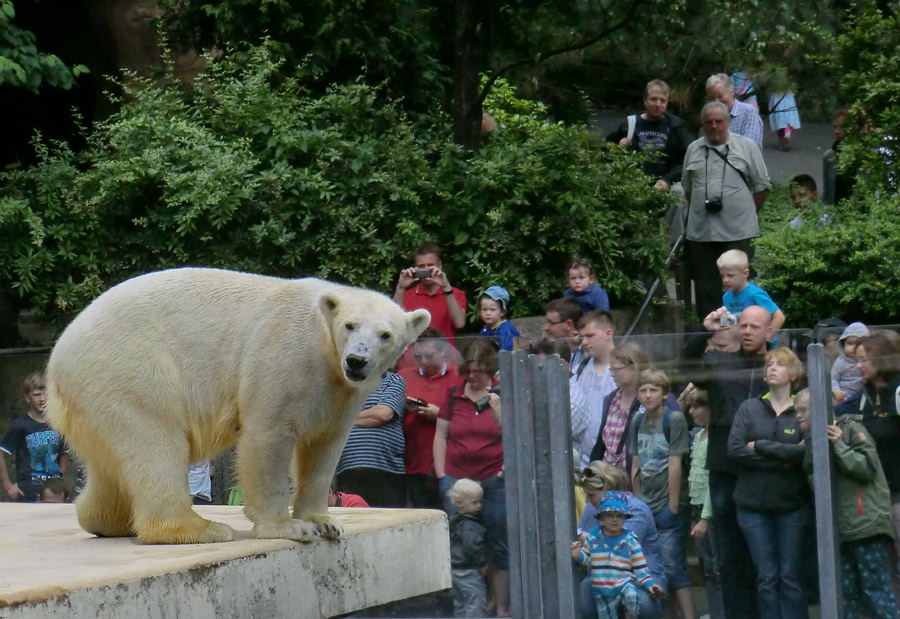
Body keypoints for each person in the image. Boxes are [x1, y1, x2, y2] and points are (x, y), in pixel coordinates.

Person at [683, 305, 772, 619]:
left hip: (764, 468)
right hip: (724, 468)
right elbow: (687, 366)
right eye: (742, 325)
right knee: (729, 554)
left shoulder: (775, 364)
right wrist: (705, 328)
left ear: (768, 331)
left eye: (754, 326)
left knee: (764, 557)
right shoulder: (718, 361)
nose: (747, 331)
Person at [795, 388, 899, 619]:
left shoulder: (851, 428)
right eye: (796, 411)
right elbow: (816, 484)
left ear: (820, 409)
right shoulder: (813, 442)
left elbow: (866, 468)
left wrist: (840, 444)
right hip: (840, 530)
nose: (798, 416)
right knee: (848, 595)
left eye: (803, 410)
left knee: (876, 591)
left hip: (866, 524)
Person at [728, 348, 810, 619]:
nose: (772, 368)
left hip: (792, 505)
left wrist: (761, 446)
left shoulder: (803, 406)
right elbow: (736, 451)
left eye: (780, 364)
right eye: (769, 364)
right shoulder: (749, 408)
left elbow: (807, 453)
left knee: (790, 576)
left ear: (794, 373)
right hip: (752, 506)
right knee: (766, 577)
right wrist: (784, 458)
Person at [434, 340, 509, 616]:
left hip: (493, 478)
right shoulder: (454, 392)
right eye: (469, 369)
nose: (473, 375)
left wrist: (503, 471)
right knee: (460, 546)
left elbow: (514, 436)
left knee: (498, 543)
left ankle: (502, 607)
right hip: (457, 480)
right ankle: (467, 605)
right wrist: (442, 475)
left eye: (479, 370)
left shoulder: (500, 394)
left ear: (490, 368)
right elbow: (441, 435)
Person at [682, 101, 771, 318]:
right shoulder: (693, 149)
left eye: (719, 122)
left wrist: (746, 212)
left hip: (738, 232)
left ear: (727, 122)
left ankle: (742, 336)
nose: (714, 126)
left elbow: (762, 187)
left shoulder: (746, 147)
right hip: (702, 233)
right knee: (706, 289)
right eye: (709, 122)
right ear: (703, 124)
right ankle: (712, 339)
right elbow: (688, 189)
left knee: (739, 287)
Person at [629, 369, 694, 619]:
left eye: (653, 390)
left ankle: (688, 614)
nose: (647, 395)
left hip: (668, 502)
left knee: (673, 564)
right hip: (645, 502)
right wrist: (637, 504)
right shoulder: (638, 420)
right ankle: (666, 614)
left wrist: (674, 505)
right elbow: (635, 463)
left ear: (665, 394)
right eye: (643, 390)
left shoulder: (674, 419)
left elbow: (675, 462)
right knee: (652, 564)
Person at [578, 461, 667, 619]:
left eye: (591, 495)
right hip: (602, 575)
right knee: (585, 589)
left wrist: (578, 535)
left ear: (607, 489)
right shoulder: (592, 508)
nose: (587, 500)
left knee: (642, 603)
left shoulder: (635, 510)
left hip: (641, 575)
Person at [850, 332, 900, 565]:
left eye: (864, 360)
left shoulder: (898, 394)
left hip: (898, 493)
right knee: (887, 564)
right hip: (877, 496)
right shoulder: (865, 398)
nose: (858, 366)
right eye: (856, 360)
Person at [399, 327, 458, 509]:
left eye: (429, 356)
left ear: (443, 352)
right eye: (418, 357)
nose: (423, 362)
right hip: (413, 463)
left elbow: (470, 419)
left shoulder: (458, 376)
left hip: (451, 466)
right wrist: (405, 409)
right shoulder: (404, 377)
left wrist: (438, 415)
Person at [678, 385, 724, 619]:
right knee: (708, 569)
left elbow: (713, 480)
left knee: (718, 567)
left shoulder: (716, 437)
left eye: (698, 406)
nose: (692, 411)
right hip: (698, 511)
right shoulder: (698, 435)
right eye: (691, 407)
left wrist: (705, 517)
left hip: (712, 512)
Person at [335, 371, 408, 508]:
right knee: (354, 524)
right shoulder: (341, 385)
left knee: (388, 523)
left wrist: (343, 418)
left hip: (386, 470)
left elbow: (383, 414)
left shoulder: (393, 381)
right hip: (347, 468)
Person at [393, 242, 467, 367]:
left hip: (446, 365)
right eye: (421, 266)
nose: (426, 270)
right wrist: (400, 288)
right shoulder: (406, 295)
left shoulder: (454, 293)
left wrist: (446, 287)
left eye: (430, 265)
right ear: (415, 269)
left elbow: (459, 323)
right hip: (412, 366)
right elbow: (393, 323)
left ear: (440, 265)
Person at [609, 79, 691, 191]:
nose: (658, 104)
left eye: (662, 101)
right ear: (645, 100)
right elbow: (607, 153)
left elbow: (686, 160)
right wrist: (618, 149)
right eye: (653, 99)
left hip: (665, 188)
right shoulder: (629, 125)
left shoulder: (676, 127)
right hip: (633, 187)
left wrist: (667, 179)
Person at [0, 373, 67, 503]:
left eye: (45, 394)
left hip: (53, 492)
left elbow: (64, 453)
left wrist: (61, 480)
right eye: (36, 395)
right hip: (28, 492)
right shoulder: (19, 426)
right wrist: (8, 486)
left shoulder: (58, 424)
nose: (42, 399)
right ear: (27, 398)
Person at [531, 338, 592, 469]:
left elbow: (550, 442)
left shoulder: (572, 400)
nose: (536, 371)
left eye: (541, 365)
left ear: (560, 363)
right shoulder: (549, 389)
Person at [575, 311, 618, 468]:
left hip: (612, 459)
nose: (584, 342)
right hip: (582, 459)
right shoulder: (580, 368)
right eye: (582, 337)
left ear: (608, 334)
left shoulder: (624, 369)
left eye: (590, 336)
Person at [717, 249, 785, 337]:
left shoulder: (755, 294)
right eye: (722, 276)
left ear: (745, 273)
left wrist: (766, 339)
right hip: (739, 345)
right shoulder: (727, 296)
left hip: (761, 347)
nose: (725, 280)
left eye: (730, 275)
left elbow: (779, 317)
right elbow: (731, 322)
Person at [448, 478, 488, 618]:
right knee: (475, 603)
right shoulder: (470, 525)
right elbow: (472, 547)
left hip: (454, 570)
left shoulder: (453, 521)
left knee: (460, 604)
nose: (479, 506)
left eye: (480, 502)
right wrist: (482, 563)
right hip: (469, 570)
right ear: (460, 503)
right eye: (474, 502)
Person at [706, 73, 764, 150]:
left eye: (720, 96)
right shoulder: (710, 117)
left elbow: (750, 148)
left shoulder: (748, 113)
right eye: (712, 98)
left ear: (732, 92)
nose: (716, 102)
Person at [831, 322, 869, 405]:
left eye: (857, 344)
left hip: (863, 395)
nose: (853, 347)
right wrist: (836, 390)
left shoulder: (869, 361)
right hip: (844, 394)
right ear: (843, 344)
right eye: (849, 343)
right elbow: (833, 378)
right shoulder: (841, 361)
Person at [543, 297, 584, 368]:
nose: (546, 328)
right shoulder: (545, 353)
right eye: (546, 323)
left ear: (568, 324)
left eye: (551, 323)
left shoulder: (587, 353)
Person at [478, 285, 520, 351]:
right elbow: (479, 346)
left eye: (492, 309)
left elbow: (506, 350)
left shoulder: (505, 329)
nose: (488, 313)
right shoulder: (486, 329)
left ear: (502, 311)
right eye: (484, 309)